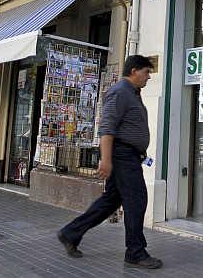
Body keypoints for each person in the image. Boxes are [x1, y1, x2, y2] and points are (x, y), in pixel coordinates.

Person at [57, 55, 162, 269]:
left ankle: (70, 233)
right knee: (137, 200)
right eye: (146, 72)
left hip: (128, 155)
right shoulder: (120, 92)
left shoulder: (132, 92)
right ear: (134, 71)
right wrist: (105, 160)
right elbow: (107, 127)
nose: (149, 77)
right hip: (122, 155)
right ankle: (135, 251)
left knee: (111, 201)